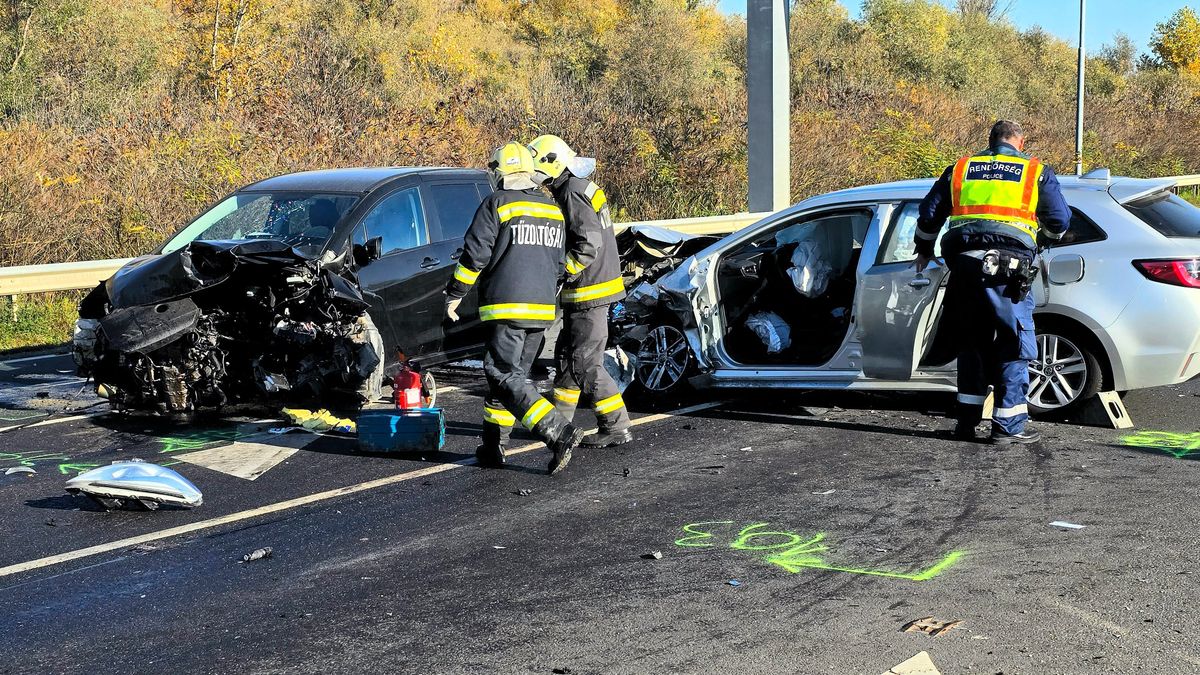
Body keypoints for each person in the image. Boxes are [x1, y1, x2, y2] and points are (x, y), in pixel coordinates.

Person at [914, 120, 1070, 445]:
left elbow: (929, 215)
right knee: (1013, 342)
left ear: (990, 140)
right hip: (1009, 269)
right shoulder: (1035, 171)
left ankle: (966, 424)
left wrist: (924, 250)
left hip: (965, 266)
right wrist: (1041, 242)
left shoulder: (960, 169)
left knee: (971, 343)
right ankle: (1008, 427)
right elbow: (1059, 220)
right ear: (1020, 142)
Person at [444, 141, 584, 474]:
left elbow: (475, 256)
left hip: (507, 309)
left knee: (502, 373)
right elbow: (560, 263)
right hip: (541, 310)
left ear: (501, 171)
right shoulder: (552, 211)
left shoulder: (496, 204)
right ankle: (493, 446)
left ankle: (558, 431)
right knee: (510, 380)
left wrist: (455, 293)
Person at [528, 134, 632, 448]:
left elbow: (588, 244)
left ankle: (615, 426)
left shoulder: (571, 192)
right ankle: (559, 424)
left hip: (589, 292)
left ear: (551, 163)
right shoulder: (577, 187)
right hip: (589, 291)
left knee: (585, 364)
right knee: (566, 359)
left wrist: (561, 272)